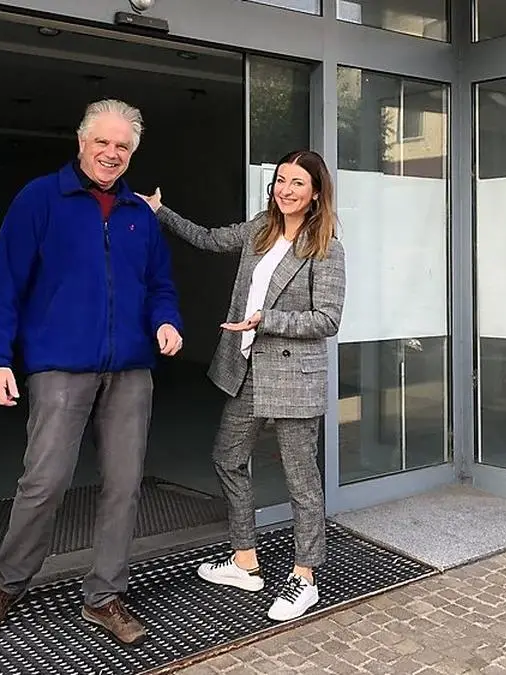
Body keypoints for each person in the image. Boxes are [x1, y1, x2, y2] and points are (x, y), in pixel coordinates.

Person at [0, 99, 183, 646]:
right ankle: (8, 584)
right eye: (102, 142)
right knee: (44, 482)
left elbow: (160, 284)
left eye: (122, 146)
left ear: (132, 153)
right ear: (82, 142)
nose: (111, 153)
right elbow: (4, 284)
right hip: (59, 366)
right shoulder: (40, 199)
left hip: (130, 369)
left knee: (124, 485)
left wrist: (167, 321)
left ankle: (104, 595)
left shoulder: (138, 213)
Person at [137, 149, 345, 622]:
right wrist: (161, 212)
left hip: (292, 376)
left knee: (301, 480)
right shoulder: (261, 228)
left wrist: (265, 319)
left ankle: (305, 576)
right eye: (280, 180)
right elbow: (210, 239)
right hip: (249, 369)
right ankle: (245, 560)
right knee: (227, 458)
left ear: (316, 193)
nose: (285, 190)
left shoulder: (326, 247)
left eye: (297, 183)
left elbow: (327, 319)